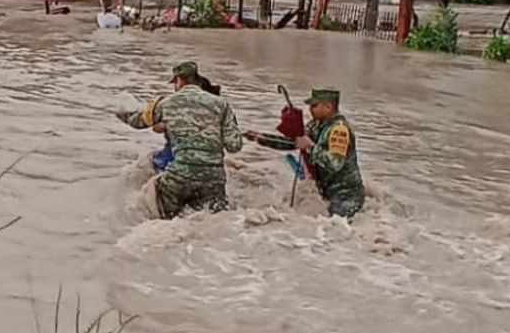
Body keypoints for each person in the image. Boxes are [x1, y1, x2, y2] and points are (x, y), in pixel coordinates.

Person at [115, 62, 243, 219]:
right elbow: (234, 145)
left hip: (179, 176)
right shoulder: (222, 105)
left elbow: (137, 122)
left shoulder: (165, 103)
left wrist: (119, 112)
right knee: (214, 221)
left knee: (163, 221)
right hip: (214, 179)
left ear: (179, 81)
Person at [245, 88, 366, 219]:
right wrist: (261, 138)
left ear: (328, 107)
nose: (310, 109)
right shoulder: (315, 126)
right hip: (327, 190)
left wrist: (311, 147)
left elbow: (335, 163)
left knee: (337, 227)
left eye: (314, 106)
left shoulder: (339, 129)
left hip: (346, 194)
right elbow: (294, 142)